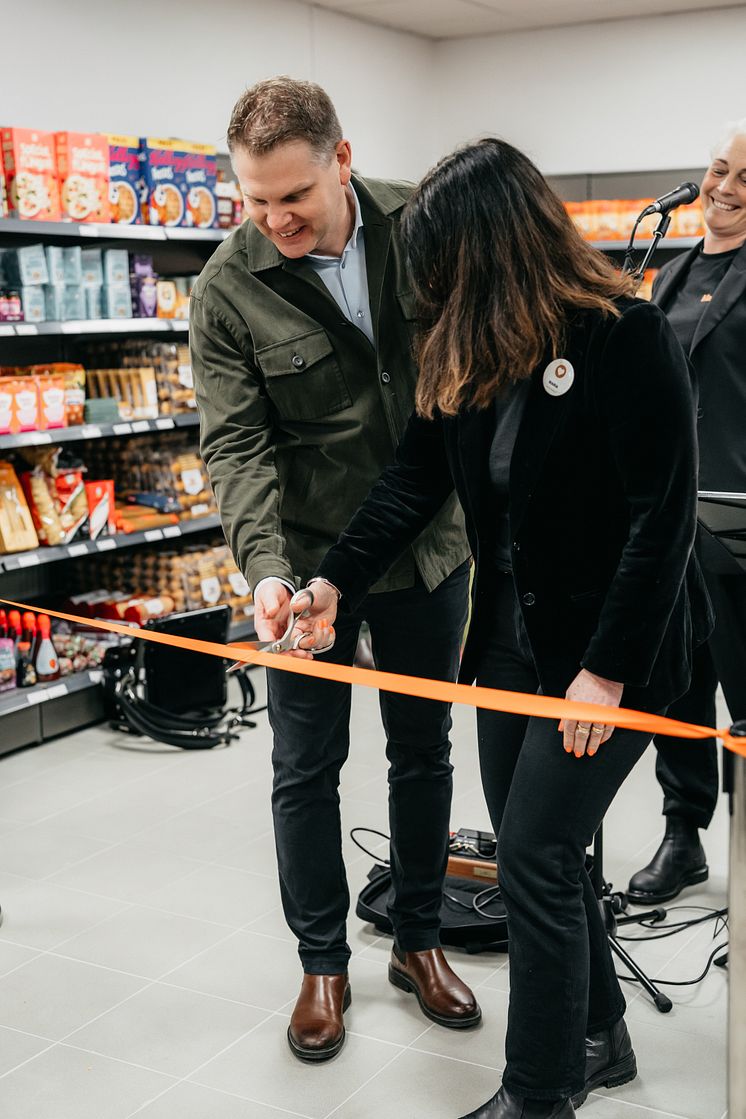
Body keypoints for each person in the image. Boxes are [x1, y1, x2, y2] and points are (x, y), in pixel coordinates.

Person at [290, 138, 712, 1117]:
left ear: (491, 246)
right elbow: (409, 484)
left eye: (441, 257)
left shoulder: (623, 335)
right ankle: (598, 1034)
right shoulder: (470, 344)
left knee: (530, 854)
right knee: (543, 862)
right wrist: (331, 587)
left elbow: (660, 519)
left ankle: (539, 1093)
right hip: (510, 648)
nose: (427, 280)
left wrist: (603, 674)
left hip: (618, 655)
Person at [189, 77, 479, 1063]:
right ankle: (321, 962)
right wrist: (266, 572)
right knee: (303, 767)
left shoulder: (428, 225)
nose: (275, 220)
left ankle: (420, 939)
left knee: (422, 749)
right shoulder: (226, 287)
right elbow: (235, 446)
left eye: (294, 197)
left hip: (429, 550)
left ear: (341, 161)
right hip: (307, 569)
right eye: (254, 200)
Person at [627, 118, 746, 905]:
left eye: (745, 179)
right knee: (681, 686)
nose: (725, 188)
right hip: (675, 522)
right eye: (718, 169)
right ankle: (684, 831)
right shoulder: (667, 273)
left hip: (742, 524)